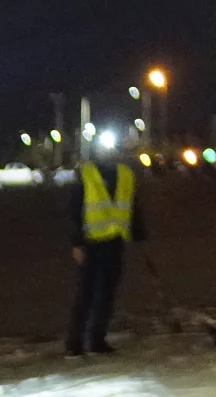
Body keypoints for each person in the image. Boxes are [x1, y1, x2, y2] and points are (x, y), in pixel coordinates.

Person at [62, 144, 145, 357]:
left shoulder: (126, 174)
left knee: (107, 294)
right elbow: (75, 208)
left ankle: (98, 339)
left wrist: (138, 231)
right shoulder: (85, 173)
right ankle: (75, 342)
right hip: (91, 242)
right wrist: (77, 242)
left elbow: (132, 205)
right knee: (86, 293)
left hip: (115, 241)